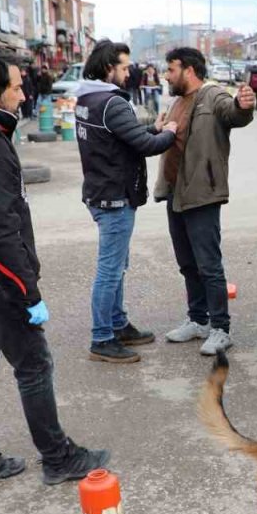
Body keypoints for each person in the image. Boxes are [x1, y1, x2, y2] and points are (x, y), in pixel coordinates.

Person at [0, 46, 109, 490]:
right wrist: (27, 292)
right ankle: (58, 456)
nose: (23, 95)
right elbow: (1, 229)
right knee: (34, 364)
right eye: (15, 87)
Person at [74, 40, 178, 363]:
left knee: (117, 267)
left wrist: (151, 126)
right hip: (114, 198)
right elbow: (144, 145)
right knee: (110, 269)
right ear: (108, 69)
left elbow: (120, 136)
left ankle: (118, 324)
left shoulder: (86, 98)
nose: (128, 71)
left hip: (99, 192)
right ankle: (102, 338)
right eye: (123, 67)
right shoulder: (113, 103)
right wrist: (169, 132)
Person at [155, 47, 255, 356]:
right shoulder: (175, 102)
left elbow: (233, 113)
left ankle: (220, 328)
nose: (167, 76)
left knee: (208, 265)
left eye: (171, 70)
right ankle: (197, 320)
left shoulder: (213, 96)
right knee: (187, 263)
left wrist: (243, 105)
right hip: (175, 193)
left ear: (188, 70)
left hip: (202, 193)